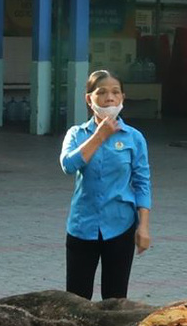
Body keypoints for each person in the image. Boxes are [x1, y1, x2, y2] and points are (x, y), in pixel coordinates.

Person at [60, 69, 153, 300]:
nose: (109, 98)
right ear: (89, 99)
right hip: (82, 226)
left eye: (115, 92)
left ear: (122, 97)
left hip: (120, 225)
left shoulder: (134, 138)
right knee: (77, 300)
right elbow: (68, 166)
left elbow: (142, 182)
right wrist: (99, 136)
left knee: (115, 299)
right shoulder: (76, 134)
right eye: (101, 92)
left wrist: (143, 227)